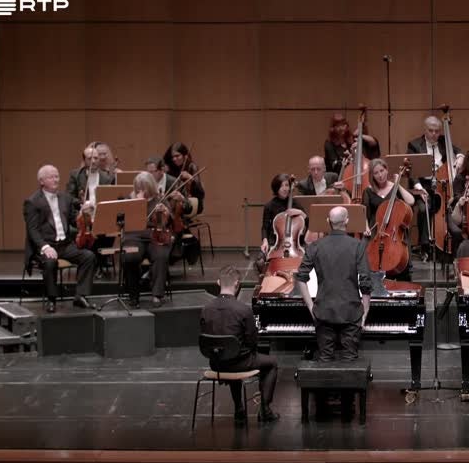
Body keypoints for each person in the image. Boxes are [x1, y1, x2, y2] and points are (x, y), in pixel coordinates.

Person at [199, 265, 280, 423]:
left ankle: (239, 409)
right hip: (239, 363)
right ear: (237, 284)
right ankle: (265, 410)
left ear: (218, 282)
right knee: (272, 363)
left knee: (229, 354)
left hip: (216, 364)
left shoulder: (205, 309)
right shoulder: (243, 310)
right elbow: (252, 342)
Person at [295, 206, 372, 362]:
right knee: (350, 361)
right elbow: (365, 281)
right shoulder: (358, 246)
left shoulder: (315, 246)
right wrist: (365, 310)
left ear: (328, 221)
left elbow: (301, 278)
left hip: (323, 311)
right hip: (351, 311)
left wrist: (311, 307)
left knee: (325, 359)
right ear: (347, 221)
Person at [24, 165, 95, 313]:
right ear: (41, 181)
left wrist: (84, 214)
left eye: (57, 176)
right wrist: (45, 247)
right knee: (50, 262)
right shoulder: (32, 201)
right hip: (46, 245)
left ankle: (80, 296)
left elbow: (73, 221)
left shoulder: (65, 198)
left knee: (88, 257)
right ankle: (51, 299)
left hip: (65, 245)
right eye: (51, 177)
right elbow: (32, 230)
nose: (56, 179)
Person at [122, 171, 188, 307]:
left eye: (144, 187)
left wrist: (165, 213)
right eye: (139, 188)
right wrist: (137, 203)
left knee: (161, 256)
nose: (142, 191)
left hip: (156, 236)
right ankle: (133, 295)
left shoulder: (160, 199)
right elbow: (121, 221)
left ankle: (157, 294)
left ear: (151, 186)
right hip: (134, 236)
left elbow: (171, 221)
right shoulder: (129, 199)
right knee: (130, 257)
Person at [407, 116, 463, 259]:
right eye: (431, 131)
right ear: (425, 130)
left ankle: (446, 245)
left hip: (441, 185)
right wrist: (419, 188)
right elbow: (411, 170)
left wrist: (460, 156)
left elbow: (458, 151)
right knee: (422, 208)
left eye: (437, 131)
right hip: (423, 185)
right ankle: (425, 246)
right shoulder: (414, 145)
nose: (434, 134)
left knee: (448, 208)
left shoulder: (444, 141)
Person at [260, 173, 307, 259]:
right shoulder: (269, 206)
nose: (285, 189)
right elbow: (265, 227)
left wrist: (301, 213)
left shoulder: (295, 204)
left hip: (295, 243)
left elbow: (308, 222)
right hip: (275, 242)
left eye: (287, 185)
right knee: (260, 260)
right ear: (276, 188)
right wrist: (265, 241)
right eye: (281, 186)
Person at [163, 142, 205, 215]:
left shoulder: (192, 166)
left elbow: (201, 193)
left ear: (185, 156)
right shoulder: (171, 168)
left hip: (191, 202)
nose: (174, 159)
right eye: (172, 157)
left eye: (177, 156)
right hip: (174, 201)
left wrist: (191, 178)